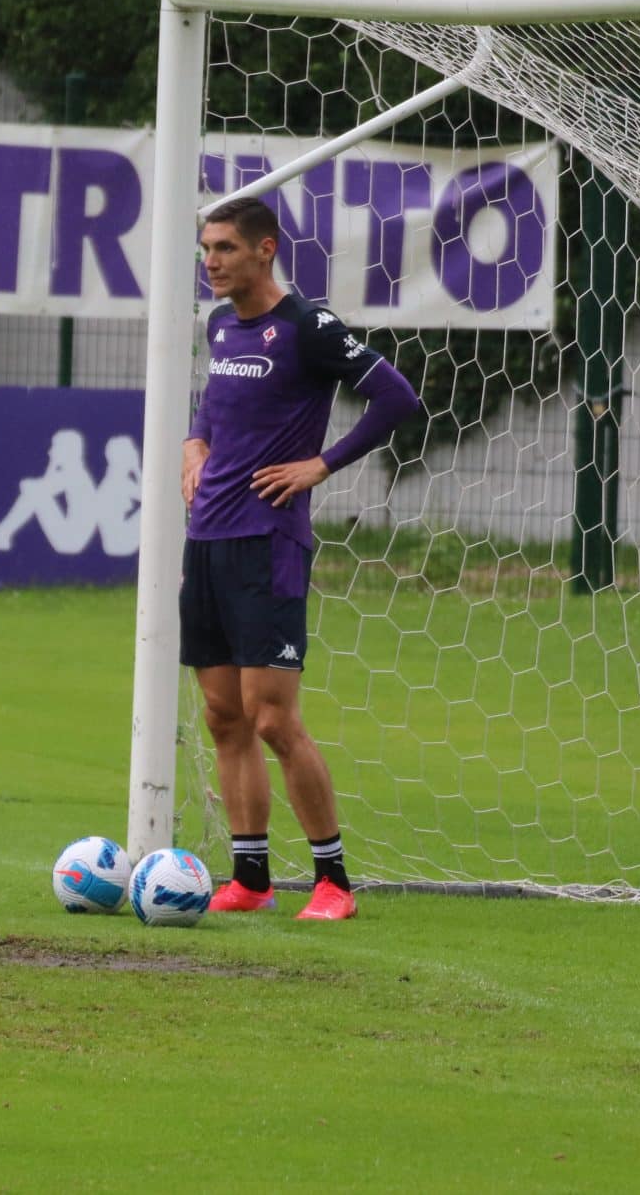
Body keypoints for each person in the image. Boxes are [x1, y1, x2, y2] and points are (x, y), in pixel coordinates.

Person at [181, 196, 421, 922]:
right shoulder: (223, 326)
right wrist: (194, 445)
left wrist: (321, 464)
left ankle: (333, 882)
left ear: (265, 249)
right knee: (223, 716)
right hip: (209, 541)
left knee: (273, 719)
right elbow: (216, 409)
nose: (211, 261)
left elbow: (396, 397)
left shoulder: (307, 326)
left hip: (269, 542)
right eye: (205, 249)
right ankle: (249, 876)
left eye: (224, 247)